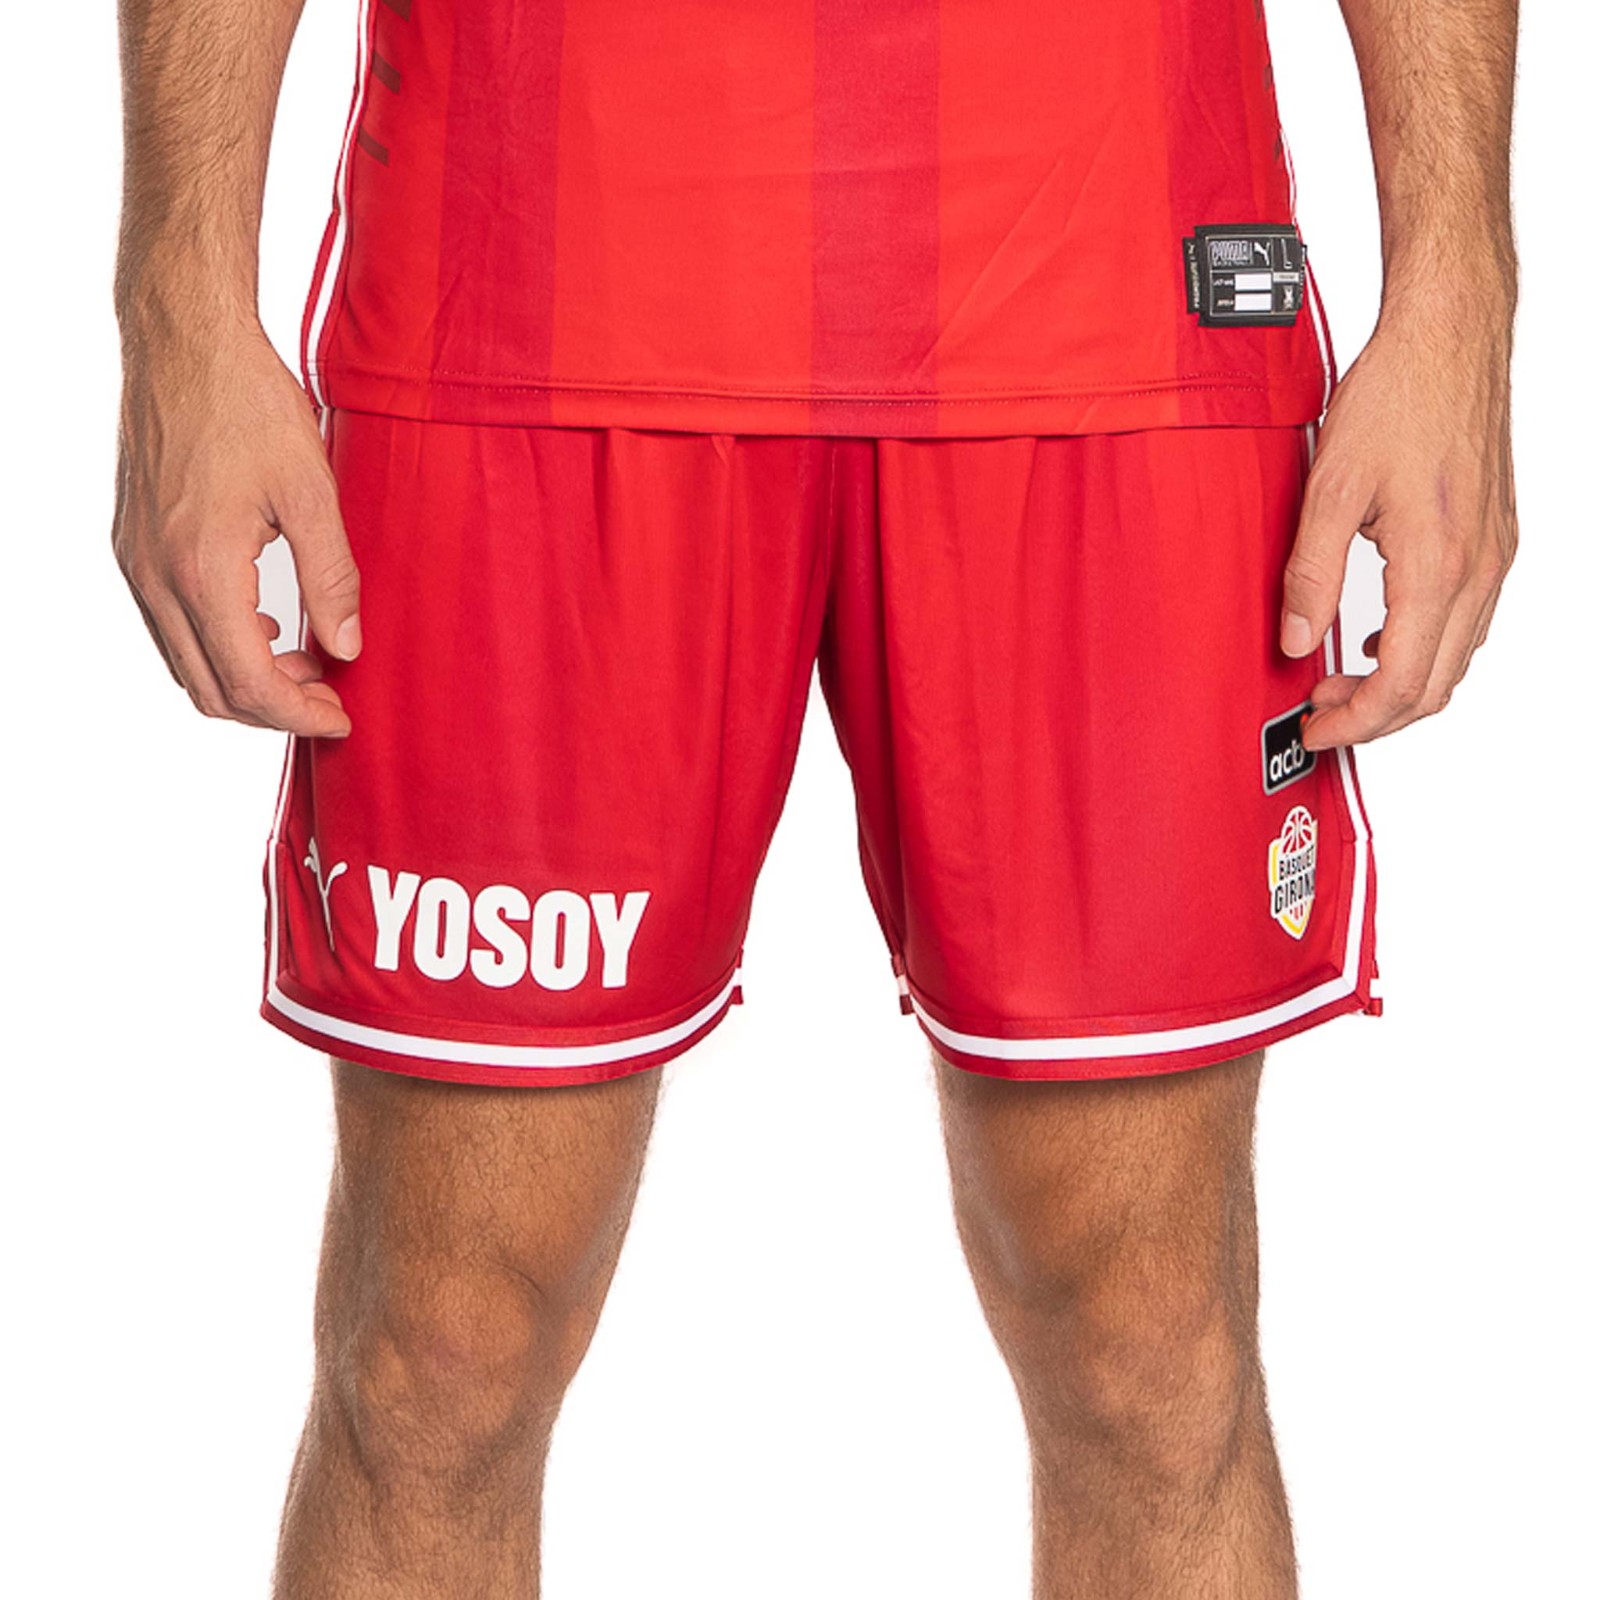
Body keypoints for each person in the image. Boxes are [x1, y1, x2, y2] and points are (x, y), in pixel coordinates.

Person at [111, 0, 1517, 1593]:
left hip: (1109, 262)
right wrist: (180, 299)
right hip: (529, 265)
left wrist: (1457, 288)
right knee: (438, 1351)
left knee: (1150, 1346)